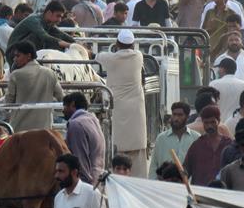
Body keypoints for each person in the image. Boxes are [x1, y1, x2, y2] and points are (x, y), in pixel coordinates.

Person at [96, 30, 147, 177]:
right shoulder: (138, 56)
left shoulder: (111, 58)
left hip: (118, 108)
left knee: (117, 148)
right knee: (137, 150)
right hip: (136, 111)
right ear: (133, 44)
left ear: (117, 44)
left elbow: (97, 56)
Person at [6, 41, 64, 132]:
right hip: (44, 128)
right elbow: (61, 97)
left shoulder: (16, 75)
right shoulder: (50, 73)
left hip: (20, 129)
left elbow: (8, 102)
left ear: (28, 56)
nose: (14, 59)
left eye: (18, 56)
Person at [5, 1, 76, 64]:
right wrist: (68, 45)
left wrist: (77, 44)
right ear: (49, 13)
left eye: (61, 17)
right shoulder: (34, 20)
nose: (59, 20)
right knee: (41, 37)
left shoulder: (48, 23)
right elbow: (45, 37)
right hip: (14, 54)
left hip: (26, 54)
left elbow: (62, 35)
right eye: (58, 16)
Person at [62, 92, 106, 184]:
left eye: (65, 106)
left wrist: (83, 186)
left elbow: (80, 159)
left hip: (87, 182)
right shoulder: (93, 120)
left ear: (73, 104)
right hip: (98, 177)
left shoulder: (76, 124)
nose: (63, 110)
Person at [183, 106, 232, 186]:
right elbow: (185, 171)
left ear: (218, 121)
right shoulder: (196, 146)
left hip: (224, 194)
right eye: (206, 123)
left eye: (212, 122)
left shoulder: (229, 144)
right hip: (201, 194)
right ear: (202, 122)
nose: (209, 126)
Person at [150, 102, 200, 173]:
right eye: (174, 114)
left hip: (188, 182)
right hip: (165, 182)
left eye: (180, 115)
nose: (176, 118)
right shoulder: (161, 138)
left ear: (187, 117)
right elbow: (154, 165)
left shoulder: (196, 138)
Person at [211, 57, 244, 122]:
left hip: (220, 124)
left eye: (219, 68)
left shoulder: (214, 84)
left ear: (222, 69)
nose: (218, 71)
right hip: (240, 124)